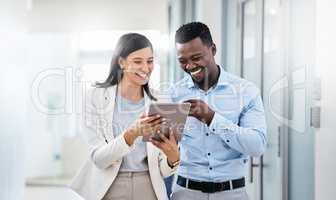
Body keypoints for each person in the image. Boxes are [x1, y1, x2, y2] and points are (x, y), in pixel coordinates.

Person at [70, 33, 180, 200]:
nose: (145, 68)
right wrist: (132, 133)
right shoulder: (95, 97)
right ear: (121, 62)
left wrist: (173, 158)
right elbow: (99, 159)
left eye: (150, 61)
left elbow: (163, 170)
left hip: (149, 187)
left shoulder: (161, 101)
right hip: (110, 186)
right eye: (138, 61)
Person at [169, 22, 267, 200]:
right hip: (185, 193)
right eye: (183, 61)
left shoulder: (245, 91)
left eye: (196, 58)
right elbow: (163, 151)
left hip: (232, 194)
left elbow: (257, 146)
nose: (190, 66)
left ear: (213, 49)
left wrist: (212, 118)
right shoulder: (173, 94)